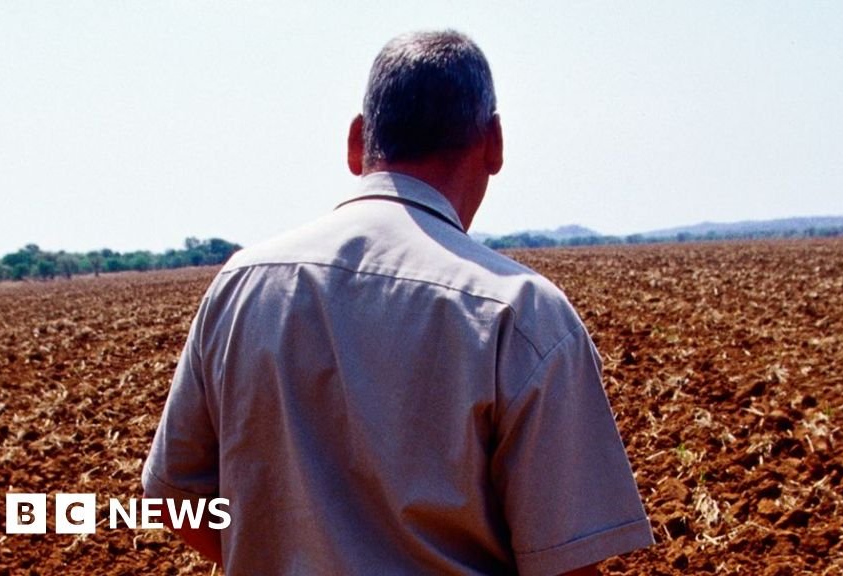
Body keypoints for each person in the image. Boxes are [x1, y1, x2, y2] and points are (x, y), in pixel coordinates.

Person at [142, 29, 653, 575]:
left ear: (356, 141)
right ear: (494, 142)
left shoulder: (242, 285)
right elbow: (566, 563)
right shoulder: (520, 314)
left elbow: (173, 498)